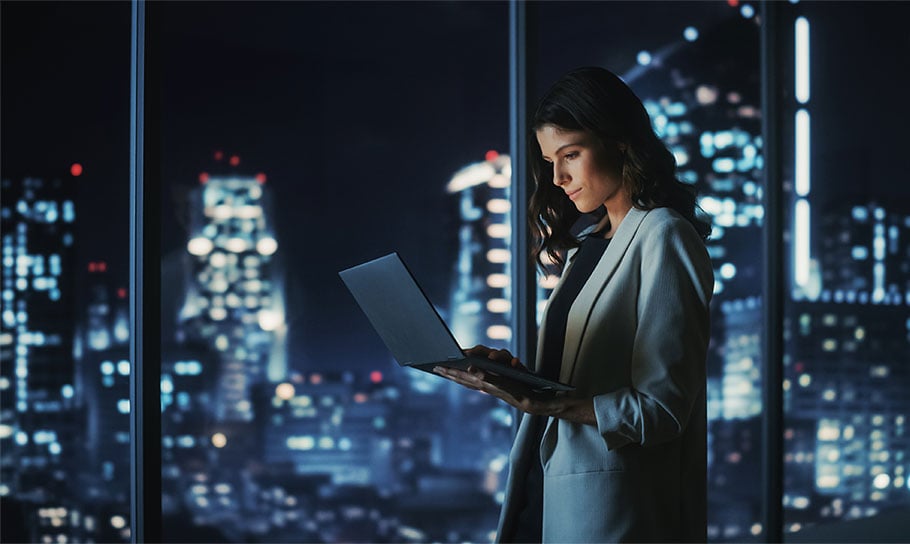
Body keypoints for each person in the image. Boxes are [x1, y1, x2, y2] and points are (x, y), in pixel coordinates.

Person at [433, 66, 714, 543]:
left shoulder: (664, 235)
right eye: (549, 161)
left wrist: (548, 401)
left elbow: (663, 411)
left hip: (615, 511)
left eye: (572, 154)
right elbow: (576, 381)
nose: (559, 177)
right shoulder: (587, 248)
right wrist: (517, 377)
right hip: (544, 489)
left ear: (620, 141)